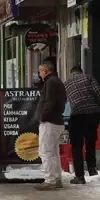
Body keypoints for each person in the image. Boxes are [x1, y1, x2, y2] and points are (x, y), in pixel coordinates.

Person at [64, 65, 100, 184]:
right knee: (90, 141)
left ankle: (79, 176)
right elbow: (99, 93)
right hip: (92, 114)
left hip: (77, 115)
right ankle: (92, 168)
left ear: (72, 73)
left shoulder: (67, 83)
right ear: (81, 72)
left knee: (77, 146)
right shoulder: (88, 78)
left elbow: (64, 103)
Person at [35, 59, 66, 190]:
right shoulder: (56, 81)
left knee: (45, 151)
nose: (39, 74)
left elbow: (49, 102)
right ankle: (56, 178)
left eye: (40, 71)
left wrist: (43, 116)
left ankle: (50, 179)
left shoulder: (51, 82)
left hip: (49, 122)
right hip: (56, 121)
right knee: (53, 152)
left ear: (45, 71)